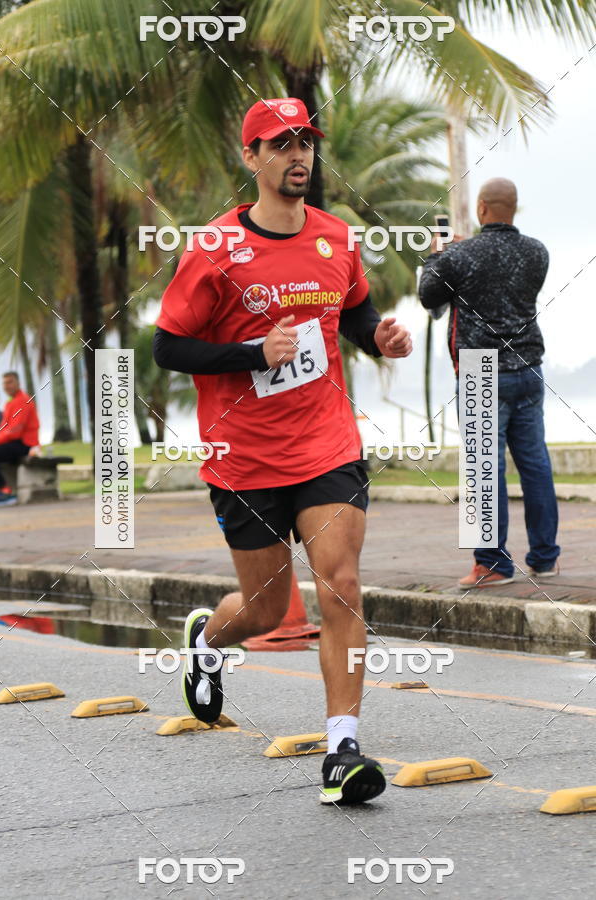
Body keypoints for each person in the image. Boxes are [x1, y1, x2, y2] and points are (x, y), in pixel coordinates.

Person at [153, 97, 413, 805]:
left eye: (305, 141)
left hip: (327, 442)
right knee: (268, 612)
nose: (298, 155)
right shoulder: (214, 248)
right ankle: (208, 640)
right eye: (281, 144)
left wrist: (377, 338)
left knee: (342, 583)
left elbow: (353, 311)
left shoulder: (335, 237)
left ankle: (342, 750)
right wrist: (249, 351)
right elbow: (168, 345)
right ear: (252, 157)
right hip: (243, 457)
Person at [419, 177, 560, 588]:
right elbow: (500, 276)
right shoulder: (538, 252)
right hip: (529, 365)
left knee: (484, 470)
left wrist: (438, 256)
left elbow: (430, 295)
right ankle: (545, 557)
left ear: (481, 208)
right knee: (535, 464)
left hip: (482, 369)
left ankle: (493, 564)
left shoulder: (460, 256)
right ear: (512, 208)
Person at [0, 372, 40, 507]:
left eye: (10, 382)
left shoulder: (23, 400)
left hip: (24, 444)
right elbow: (3, 430)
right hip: (13, 444)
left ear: (18, 383)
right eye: (4, 383)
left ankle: (3, 492)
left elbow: (14, 432)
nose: (7, 386)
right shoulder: (10, 403)